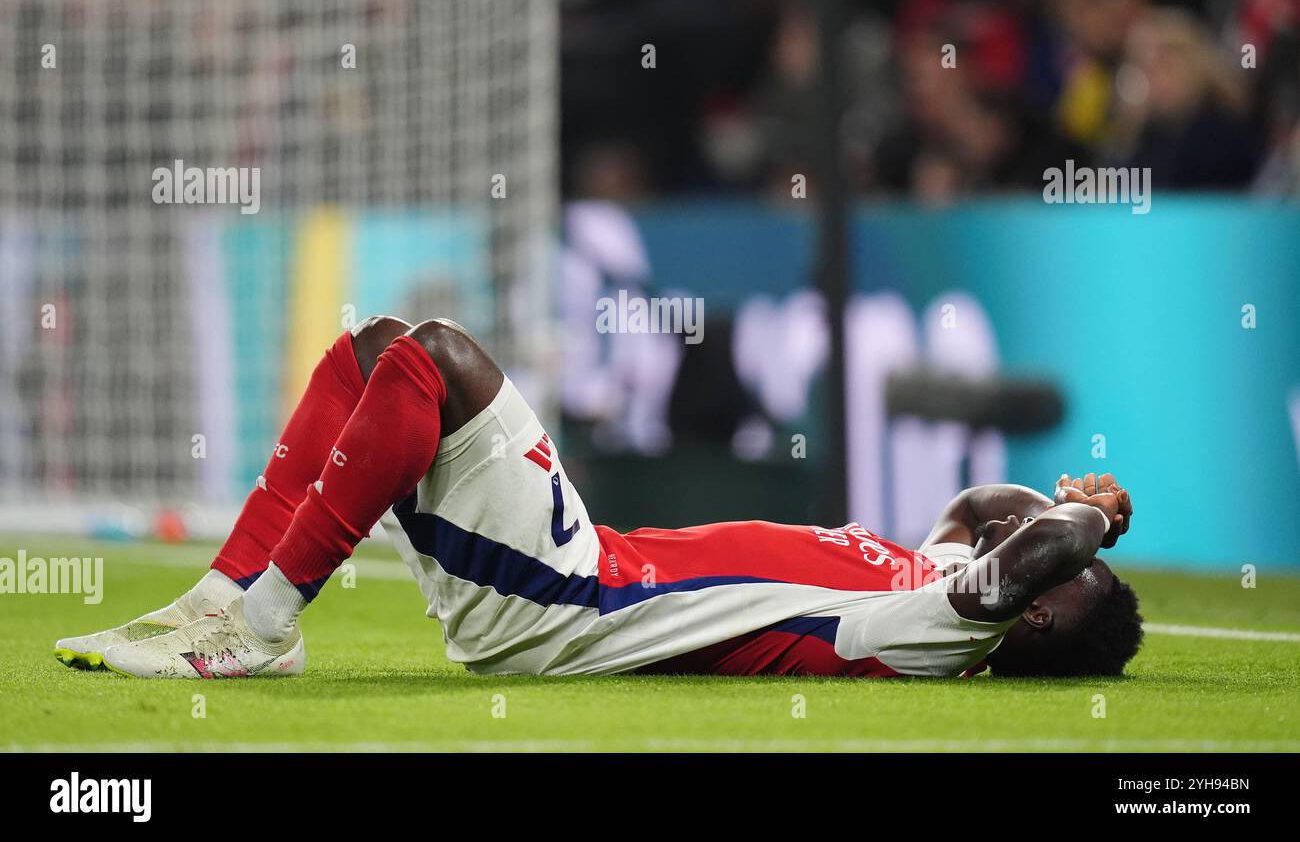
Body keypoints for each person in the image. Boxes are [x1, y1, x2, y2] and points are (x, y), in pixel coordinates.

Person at [54, 316, 1141, 679]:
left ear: (1039, 609)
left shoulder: (937, 635)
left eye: (1065, 566)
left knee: (437, 356)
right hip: (577, 571)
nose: (1038, 536)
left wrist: (1096, 518)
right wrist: (1061, 500)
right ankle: (233, 596)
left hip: (573, 601)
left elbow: (1021, 552)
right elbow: (980, 504)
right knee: (375, 350)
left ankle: (260, 624)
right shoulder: (934, 570)